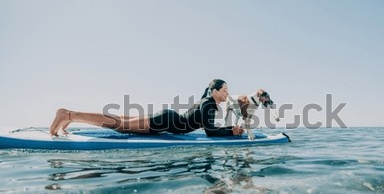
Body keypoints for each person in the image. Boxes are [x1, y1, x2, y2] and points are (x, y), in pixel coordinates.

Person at [50, 79, 244, 137]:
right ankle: (68, 114)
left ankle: (70, 116)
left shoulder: (206, 101)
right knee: (120, 125)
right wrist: (231, 131)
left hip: (167, 118)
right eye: (225, 90)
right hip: (166, 121)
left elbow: (203, 121)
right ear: (215, 91)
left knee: (123, 120)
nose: (227, 94)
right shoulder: (209, 104)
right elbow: (210, 131)